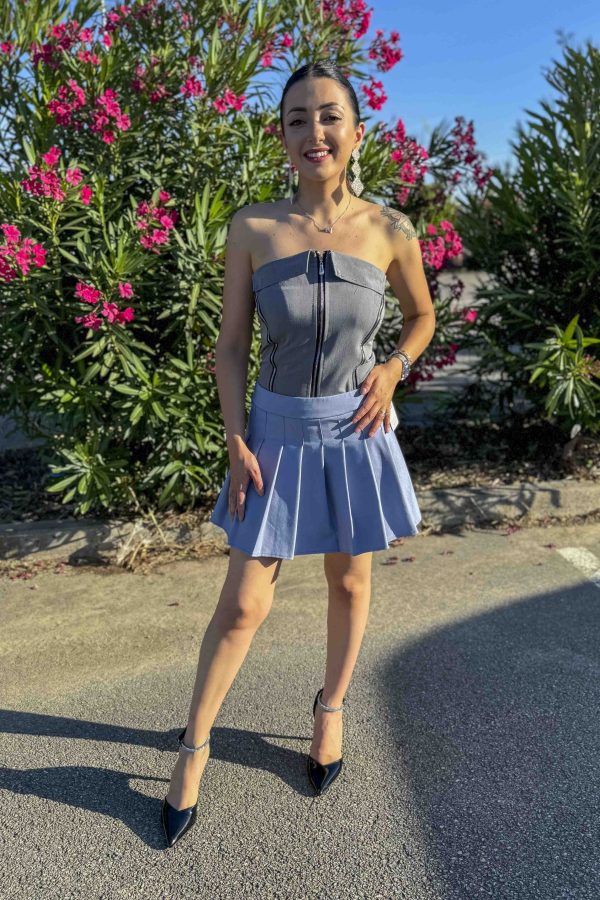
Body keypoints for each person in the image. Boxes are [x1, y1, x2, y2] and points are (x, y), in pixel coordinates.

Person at [161, 60, 436, 848]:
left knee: (349, 583)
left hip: (356, 429)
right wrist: (235, 436)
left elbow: (421, 317)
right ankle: (193, 747)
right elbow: (230, 347)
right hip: (275, 434)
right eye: (296, 119)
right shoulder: (252, 227)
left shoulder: (390, 230)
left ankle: (330, 711)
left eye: (328, 116)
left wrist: (395, 366)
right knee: (244, 604)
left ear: (356, 132)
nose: (313, 131)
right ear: (280, 136)